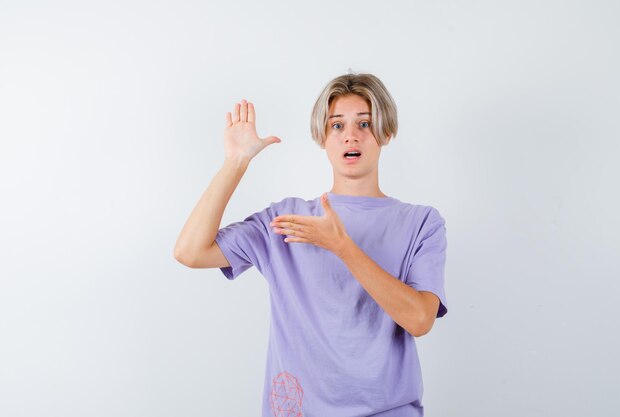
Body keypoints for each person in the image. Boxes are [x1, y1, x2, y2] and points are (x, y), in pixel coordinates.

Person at [174, 73, 448, 417]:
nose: (351, 135)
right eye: (337, 126)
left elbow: (420, 320)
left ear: (387, 132)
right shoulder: (287, 220)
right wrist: (236, 163)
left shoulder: (422, 223)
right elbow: (190, 251)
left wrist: (343, 246)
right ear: (322, 136)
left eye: (365, 123)